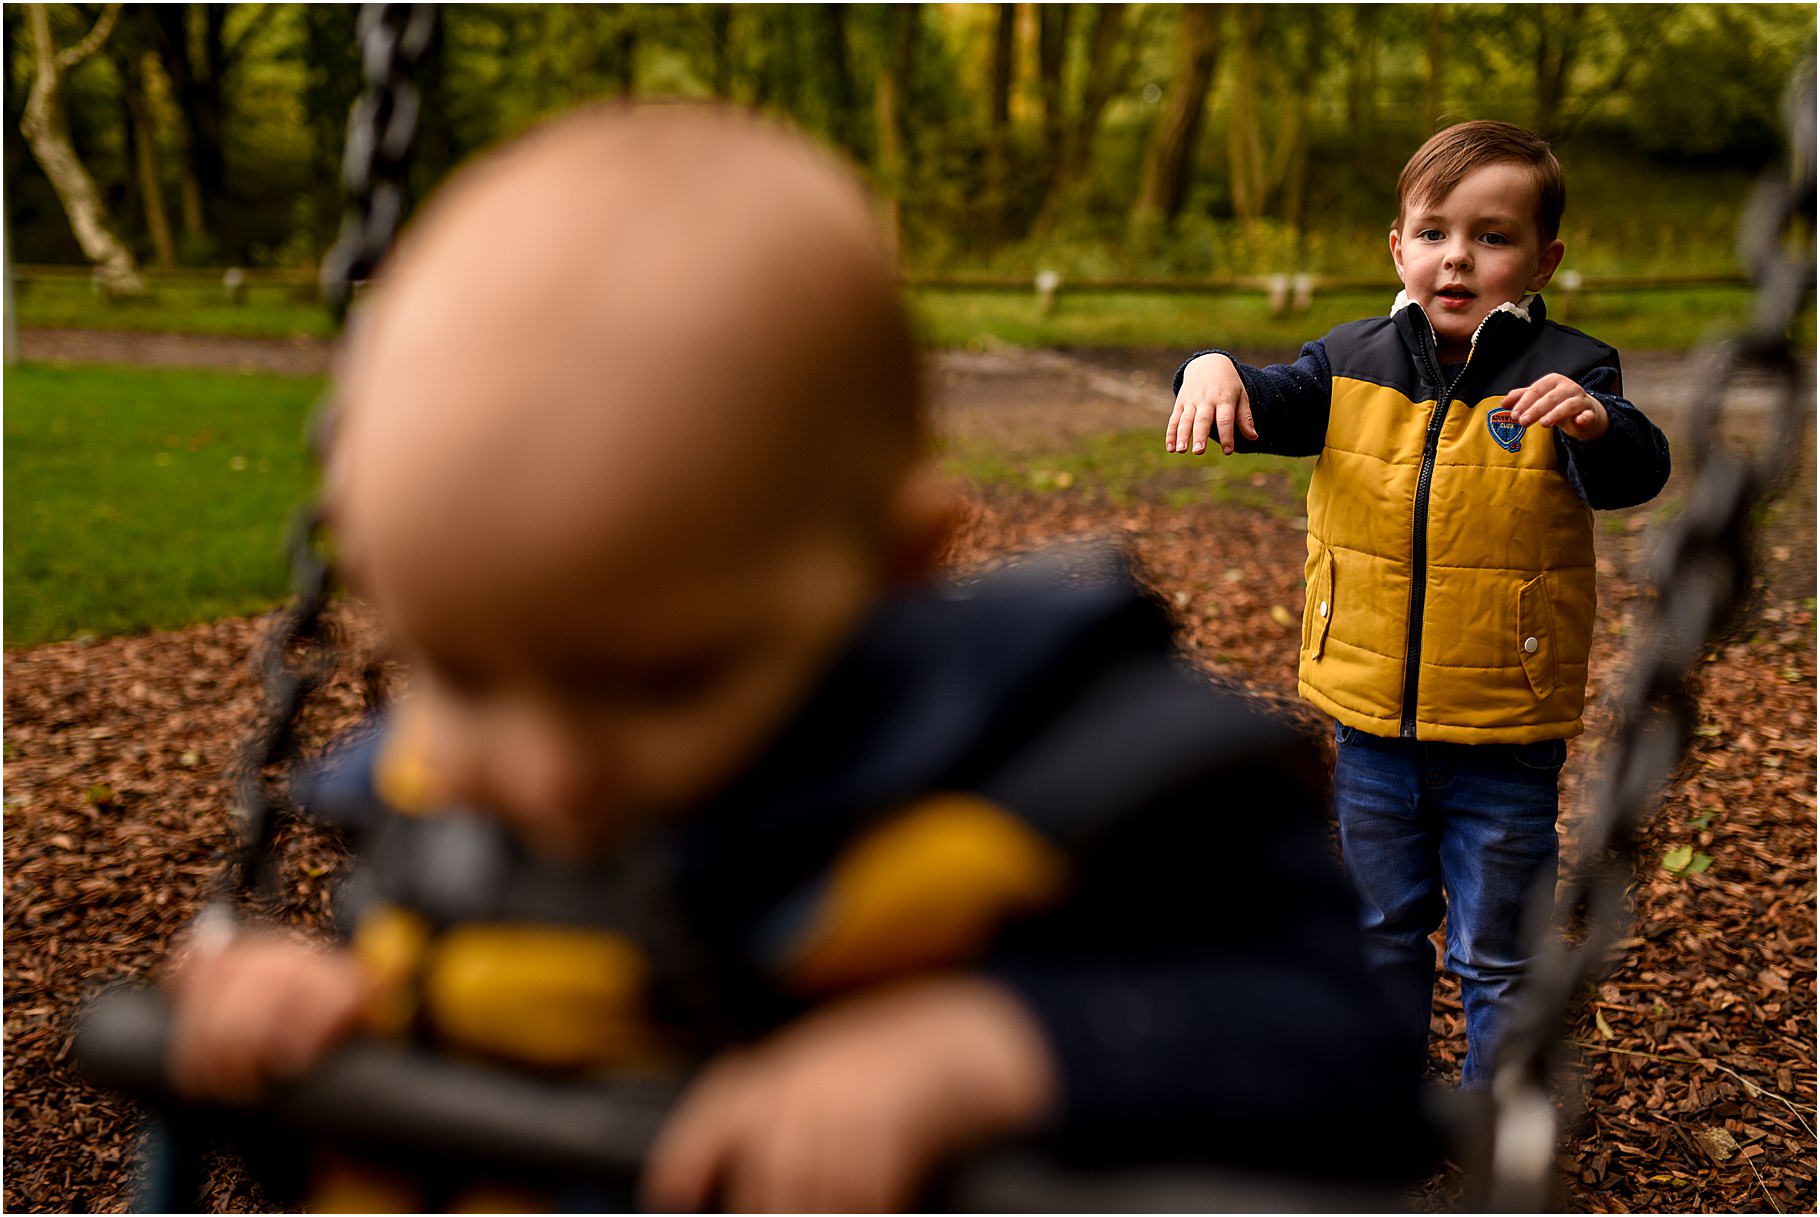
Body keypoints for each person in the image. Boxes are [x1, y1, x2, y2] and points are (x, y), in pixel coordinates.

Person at [161, 103, 1433, 1211]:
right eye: (457, 669)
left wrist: (990, 1048)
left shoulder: (1073, 783)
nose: (543, 771)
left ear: (896, 568)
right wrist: (306, 1044)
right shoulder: (449, 807)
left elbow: (1345, 1070)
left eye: (660, 682)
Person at [1164, 120, 1672, 1088]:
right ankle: (1379, 1103)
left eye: (1491, 236)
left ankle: (1492, 1119)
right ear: (1396, 245)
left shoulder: (1567, 368)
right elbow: (1262, 399)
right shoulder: (1346, 360)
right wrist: (1206, 365)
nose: (1456, 258)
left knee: (1496, 952)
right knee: (1375, 929)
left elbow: (1630, 471)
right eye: (1434, 231)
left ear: (1539, 258)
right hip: (1369, 730)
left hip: (1503, 731)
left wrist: (1596, 420)